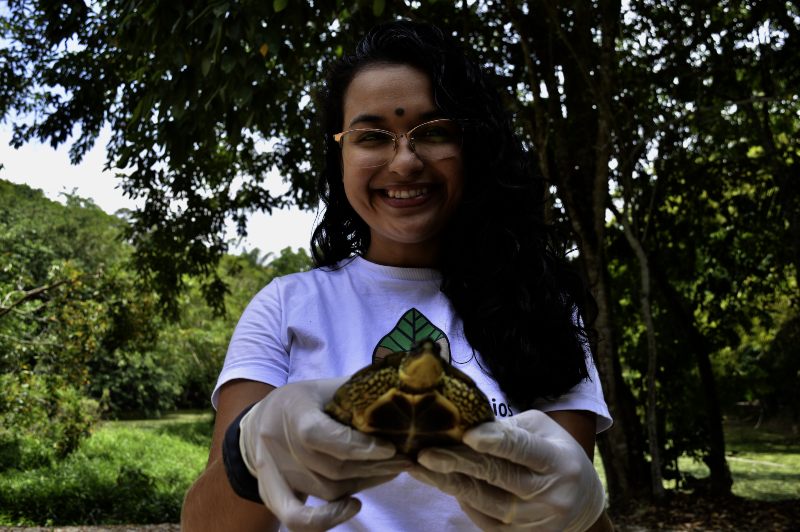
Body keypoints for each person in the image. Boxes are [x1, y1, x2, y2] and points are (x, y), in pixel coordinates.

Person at [181, 20, 614, 532]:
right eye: (371, 136)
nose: (404, 160)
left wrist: (590, 516)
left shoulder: (539, 306)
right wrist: (246, 452)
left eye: (432, 132)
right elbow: (204, 526)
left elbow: (561, 510)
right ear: (340, 155)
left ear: (472, 145)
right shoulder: (285, 306)